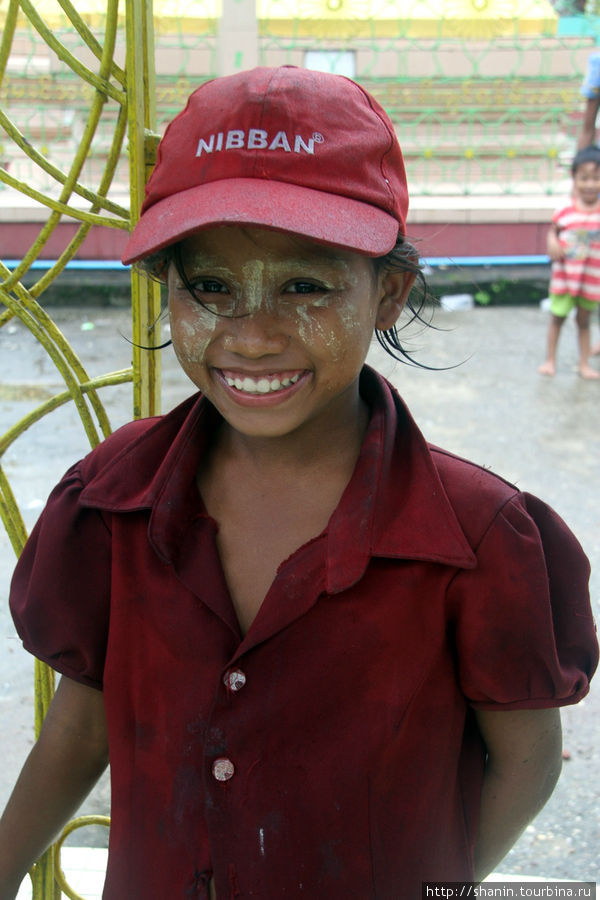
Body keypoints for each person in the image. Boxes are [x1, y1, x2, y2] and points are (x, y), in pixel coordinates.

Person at [0, 67, 597, 900]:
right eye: (210, 287)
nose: (252, 336)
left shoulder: (480, 539)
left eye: (306, 287)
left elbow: (526, 767)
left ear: (387, 294)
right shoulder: (113, 499)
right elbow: (78, 728)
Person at [538, 144, 600, 378]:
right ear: (574, 178)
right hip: (564, 278)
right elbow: (553, 231)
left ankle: (584, 363)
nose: (590, 184)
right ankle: (550, 360)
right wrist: (552, 241)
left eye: (596, 178)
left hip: (591, 280)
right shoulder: (565, 210)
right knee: (557, 319)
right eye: (584, 178)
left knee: (584, 322)